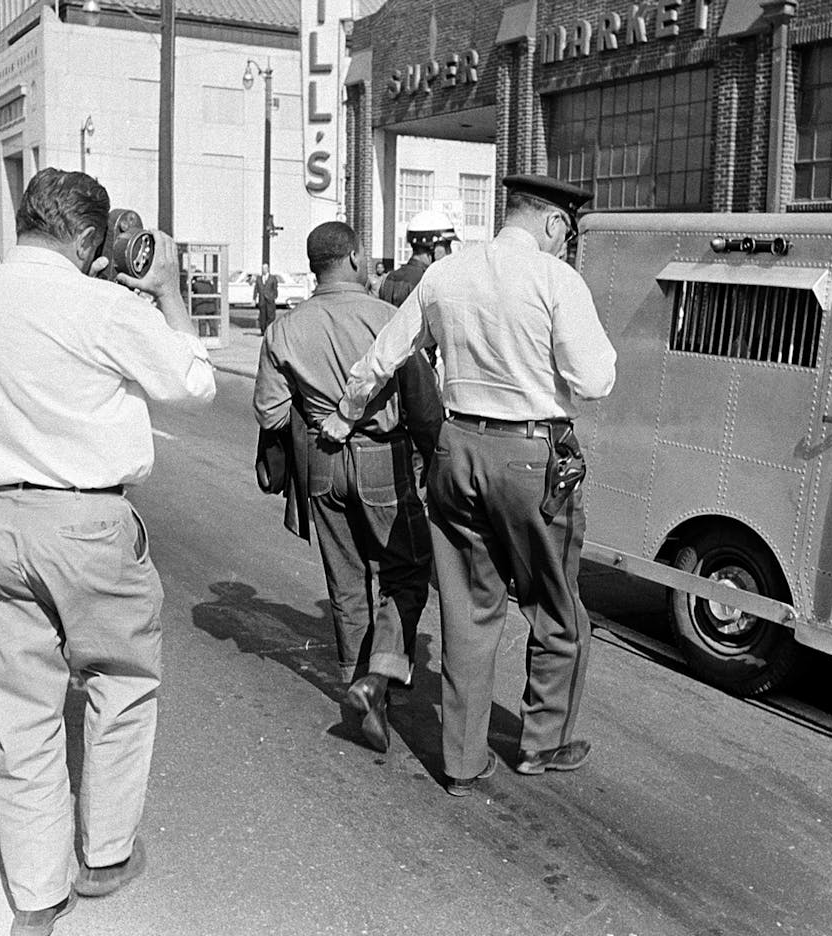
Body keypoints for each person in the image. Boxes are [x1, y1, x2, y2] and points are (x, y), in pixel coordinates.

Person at [0, 168, 216, 936]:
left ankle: (35, 895)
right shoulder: (102, 307)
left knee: (22, 715)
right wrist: (165, 289)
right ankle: (103, 855)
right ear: (92, 240)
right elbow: (194, 383)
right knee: (121, 686)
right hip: (86, 526)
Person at [321, 175, 616, 797]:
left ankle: (461, 761)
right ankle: (543, 744)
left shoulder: (446, 275)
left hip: (457, 450)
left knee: (467, 610)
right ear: (557, 225)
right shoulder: (557, 280)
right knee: (556, 605)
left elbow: (385, 355)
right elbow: (593, 380)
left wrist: (345, 416)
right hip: (532, 457)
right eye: (570, 234)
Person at [254, 221, 439, 753]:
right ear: (356, 258)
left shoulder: (283, 330)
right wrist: (435, 460)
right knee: (407, 573)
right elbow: (424, 407)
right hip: (384, 460)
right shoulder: (387, 318)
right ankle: (378, 677)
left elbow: (269, 412)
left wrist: (315, 414)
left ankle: (364, 695)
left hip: (322, 466)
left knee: (346, 582)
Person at [378, 209, 457, 307]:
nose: (450, 252)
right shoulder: (429, 282)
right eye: (446, 246)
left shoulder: (388, 279)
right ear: (432, 246)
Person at [254, 262, 280, 332]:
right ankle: (263, 330)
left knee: (270, 316)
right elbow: (256, 289)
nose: (263, 270)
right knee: (262, 317)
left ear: (268, 269)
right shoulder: (259, 278)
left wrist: (273, 297)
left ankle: (269, 331)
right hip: (262, 300)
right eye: (262, 268)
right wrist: (254, 298)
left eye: (265, 268)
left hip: (270, 300)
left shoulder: (272, 278)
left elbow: (275, 289)